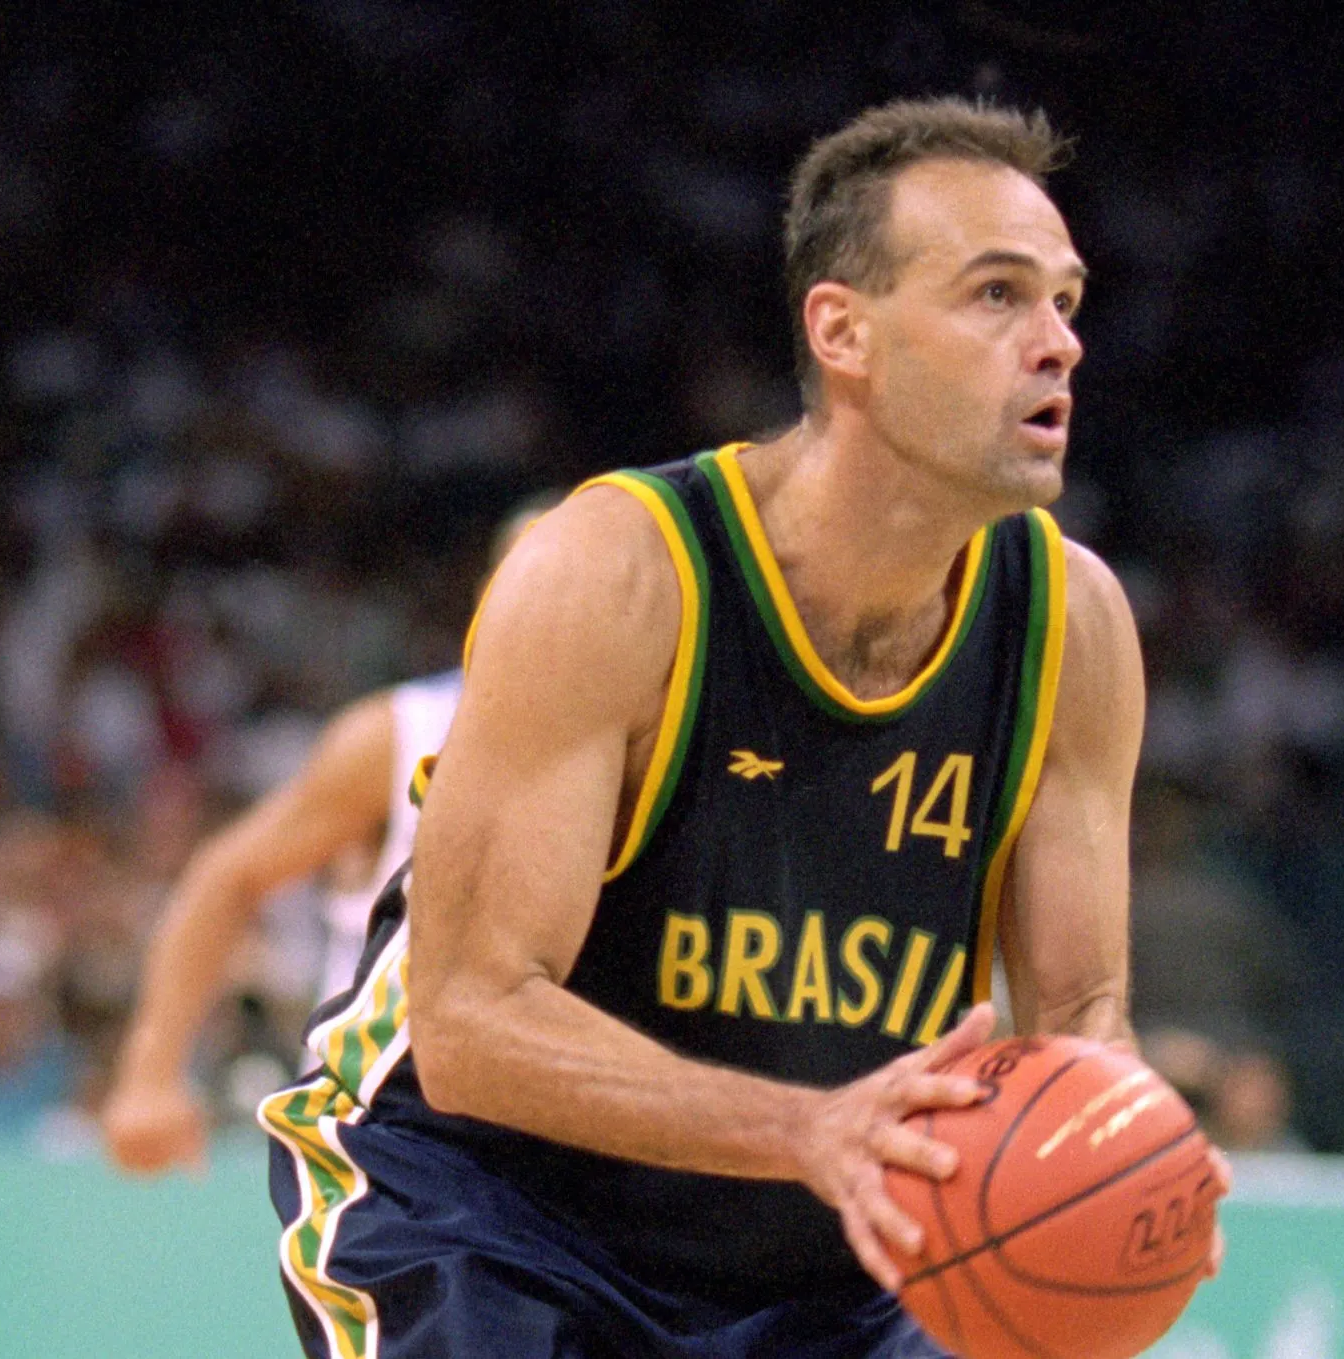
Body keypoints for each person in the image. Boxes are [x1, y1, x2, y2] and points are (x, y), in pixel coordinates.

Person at [255, 98, 1226, 1359]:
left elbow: (1078, 1010)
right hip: (482, 1209)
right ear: (843, 332)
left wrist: (1124, 1163)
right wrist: (804, 1133)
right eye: (996, 296)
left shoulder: (1072, 624)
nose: (1057, 346)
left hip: (823, 1248)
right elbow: (475, 1028)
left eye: (1065, 303)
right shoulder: (623, 572)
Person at [103, 499, 554, 1176]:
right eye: (530, 574)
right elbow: (228, 874)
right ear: (488, 594)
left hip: (552, 1145)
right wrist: (150, 1074)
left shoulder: (675, 747)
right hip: (387, 1139)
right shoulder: (400, 733)